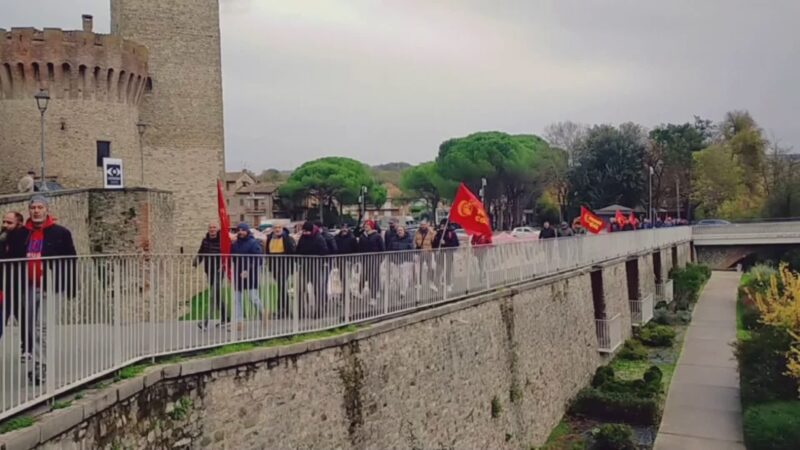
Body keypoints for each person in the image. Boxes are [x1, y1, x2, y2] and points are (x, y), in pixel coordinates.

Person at [5, 195, 76, 385]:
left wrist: (70, 286)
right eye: (33, 208)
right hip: (27, 286)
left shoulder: (61, 233)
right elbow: (9, 259)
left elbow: (71, 260)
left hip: (52, 287)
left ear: (46, 210)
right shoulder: (19, 234)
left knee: (41, 327)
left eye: (40, 207)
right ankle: (37, 362)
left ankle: (39, 366)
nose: (36, 211)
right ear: (29, 211)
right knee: (29, 327)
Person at [230, 222, 266, 329]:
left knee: (252, 297)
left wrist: (248, 270)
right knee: (237, 299)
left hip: (251, 274)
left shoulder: (253, 243)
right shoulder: (235, 244)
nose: (241, 232)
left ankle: (262, 312)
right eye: (239, 230)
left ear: (247, 231)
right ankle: (239, 322)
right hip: (238, 273)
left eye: (243, 230)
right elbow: (232, 257)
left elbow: (258, 259)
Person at [194, 223, 228, 330]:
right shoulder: (205, 240)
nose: (212, 230)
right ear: (208, 229)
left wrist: (223, 265)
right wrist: (196, 262)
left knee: (213, 295)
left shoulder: (222, 240)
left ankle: (205, 321)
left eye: (214, 228)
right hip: (209, 271)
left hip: (219, 271)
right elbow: (201, 253)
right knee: (217, 295)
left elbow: (227, 254)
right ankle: (226, 318)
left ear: (217, 230)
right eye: (210, 228)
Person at [296, 221, 328, 317]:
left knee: (318, 289)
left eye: (306, 232)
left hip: (316, 265)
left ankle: (319, 311)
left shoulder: (319, 238)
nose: (304, 233)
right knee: (301, 289)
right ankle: (301, 312)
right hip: (304, 266)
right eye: (304, 231)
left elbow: (324, 251)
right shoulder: (303, 237)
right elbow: (298, 249)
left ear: (311, 231)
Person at [0, 212, 24, 343]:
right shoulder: (2, 238)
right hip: (2, 288)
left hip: (19, 286)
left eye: (9, 223)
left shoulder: (22, 238)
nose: (4, 225)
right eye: (4, 222)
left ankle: (28, 349)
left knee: (26, 320)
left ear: (18, 224)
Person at [264, 223, 295, 319]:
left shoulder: (287, 238)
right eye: (275, 227)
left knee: (282, 287)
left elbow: (291, 251)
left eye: (279, 227)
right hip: (274, 265)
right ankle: (282, 310)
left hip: (283, 265)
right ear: (272, 229)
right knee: (280, 287)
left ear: (282, 228)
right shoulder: (269, 238)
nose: (277, 229)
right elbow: (268, 252)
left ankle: (284, 310)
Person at [358, 220, 384, 302]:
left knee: (373, 278)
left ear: (371, 226)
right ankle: (360, 292)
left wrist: (380, 260)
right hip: (365, 260)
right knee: (363, 276)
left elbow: (382, 249)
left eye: (367, 225)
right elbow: (360, 248)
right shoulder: (362, 236)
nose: (366, 226)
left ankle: (373, 297)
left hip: (374, 259)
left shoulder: (377, 236)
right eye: (365, 225)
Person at [432, 219, 459, 292]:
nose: (442, 227)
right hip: (440, 255)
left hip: (448, 255)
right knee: (438, 270)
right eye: (441, 226)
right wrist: (436, 247)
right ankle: (436, 285)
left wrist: (445, 243)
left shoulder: (451, 233)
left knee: (448, 270)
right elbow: (434, 244)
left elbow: (455, 244)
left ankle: (448, 284)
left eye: (443, 226)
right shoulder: (438, 234)